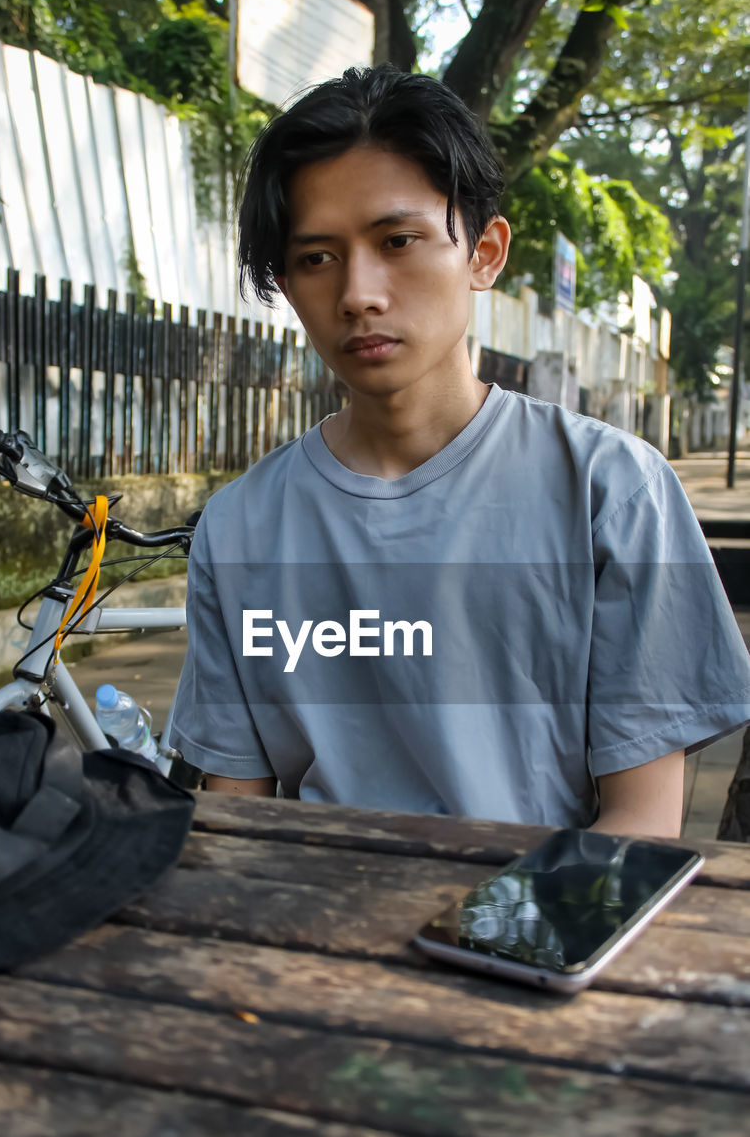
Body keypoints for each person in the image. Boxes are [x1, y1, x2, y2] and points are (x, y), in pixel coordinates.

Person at [168, 64, 750, 834]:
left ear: (483, 252)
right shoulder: (238, 527)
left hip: (534, 933)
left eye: (397, 240)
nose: (358, 292)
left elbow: (636, 830)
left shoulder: (610, 493)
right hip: (305, 925)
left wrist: (473, 943)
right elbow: (232, 822)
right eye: (316, 258)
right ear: (286, 282)